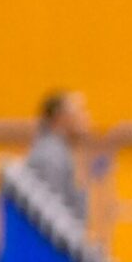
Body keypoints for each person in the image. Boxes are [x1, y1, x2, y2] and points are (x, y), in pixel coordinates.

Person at [28, 89, 90, 223]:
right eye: (81, 111)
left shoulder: (60, 153)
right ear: (61, 117)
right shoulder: (50, 157)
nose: (87, 117)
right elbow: (52, 214)